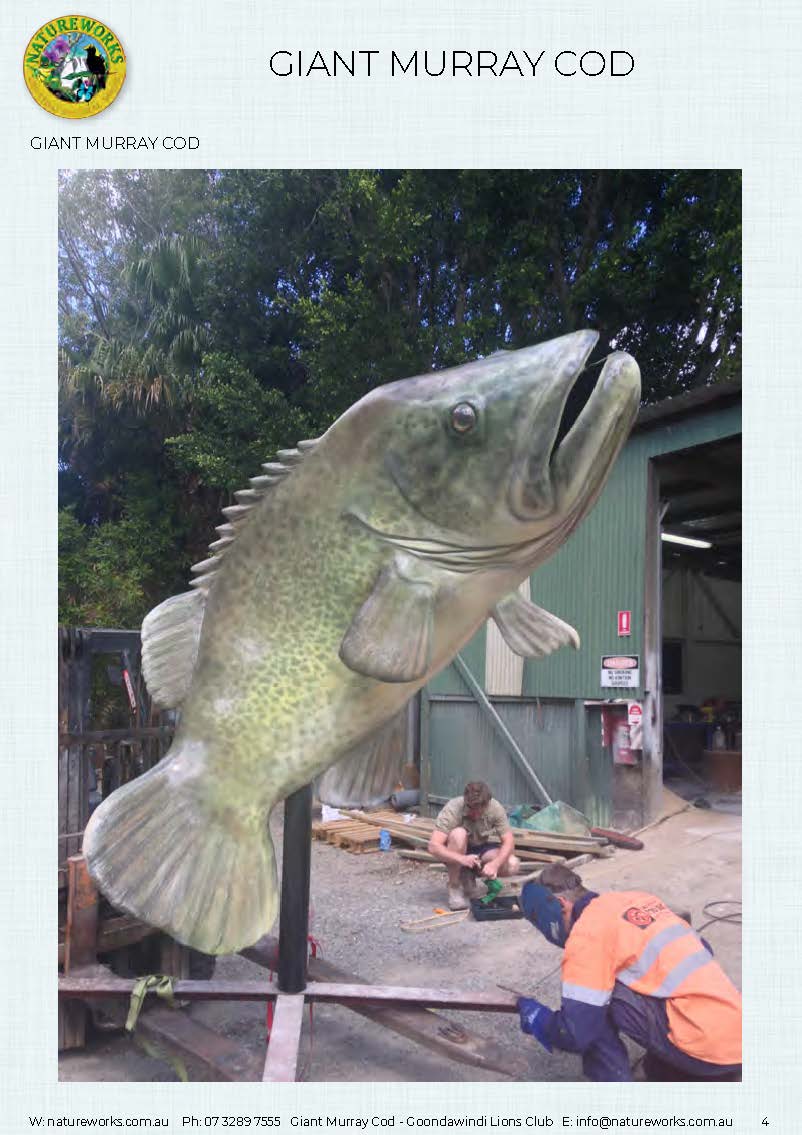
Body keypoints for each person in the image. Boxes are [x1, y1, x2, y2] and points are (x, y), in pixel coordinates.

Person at [516, 864, 742, 1082]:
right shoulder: (639, 900)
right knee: (642, 975)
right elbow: (704, 948)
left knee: (594, 1000)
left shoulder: (587, 932)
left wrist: (538, 1018)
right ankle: (669, 1066)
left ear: (561, 904)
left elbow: (576, 1032)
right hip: (739, 1035)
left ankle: (614, 1083)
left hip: (707, 1054)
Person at [427, 781, 520, 910]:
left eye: (479, 811)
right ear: (466, 801)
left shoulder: (495, 808)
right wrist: (462, 859)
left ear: (487, 804)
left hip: (480, 847)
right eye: (471, 809)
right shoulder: (454, 808)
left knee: (512, 863)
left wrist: (495, 864)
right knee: (458, 834)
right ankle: (454, 886)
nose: (475, 815)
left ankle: (468, 874)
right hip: (456, 850)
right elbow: (433, 846)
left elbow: (509, 841)